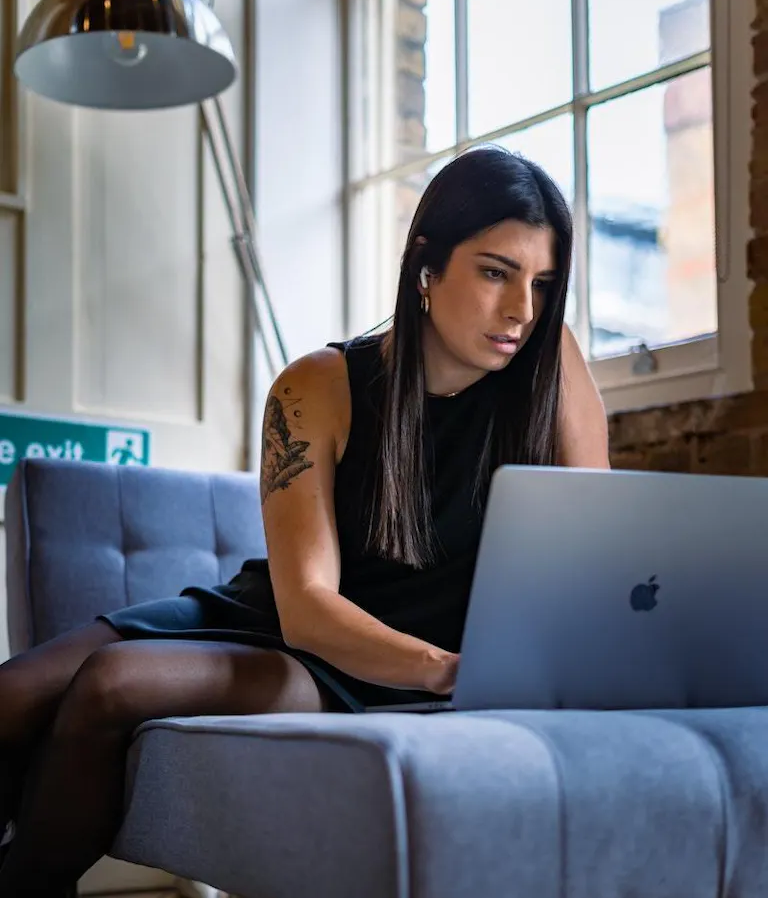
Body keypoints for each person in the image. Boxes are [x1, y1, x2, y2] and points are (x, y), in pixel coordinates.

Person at [0, 145, 609, 894]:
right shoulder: (320, 385)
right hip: (299, 623)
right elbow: (308, 607)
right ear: (426, 264)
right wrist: (449, 670)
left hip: (364, 675)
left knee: (112, 684)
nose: (522, 309)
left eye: (543, 283)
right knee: (12, 693)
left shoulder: (555, 373)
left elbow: (596, 559)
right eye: (494, 271)